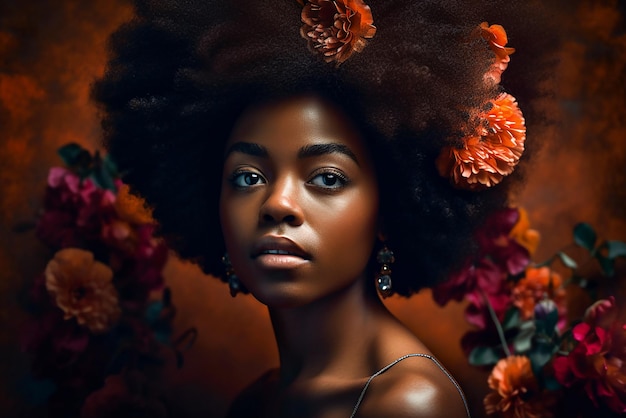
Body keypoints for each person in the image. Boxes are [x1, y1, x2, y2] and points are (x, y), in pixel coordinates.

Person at [94, 0, 557, 416]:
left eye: (327, 178)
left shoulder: (408, 405)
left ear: (389, 209)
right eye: (247, 177)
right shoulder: (258, 401)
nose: (277, 203)